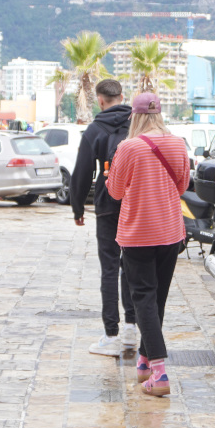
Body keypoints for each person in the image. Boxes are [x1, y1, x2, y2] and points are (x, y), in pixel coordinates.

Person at [106, 93, 189, 397]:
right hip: (170, 230)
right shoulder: (179, 143)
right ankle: (143, 363)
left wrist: (112, 178)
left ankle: (160, 371)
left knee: (142, 298)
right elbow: (182, 185)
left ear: (135, 116)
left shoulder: (128, 147)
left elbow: (114, 192)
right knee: (157, 300)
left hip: (139, 232)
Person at [70, 78, 138, 357]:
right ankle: (132, 327)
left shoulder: (94, 130)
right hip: (136, 204)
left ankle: (111, 334)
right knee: (132, 266)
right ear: (122, 97)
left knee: (110, 268)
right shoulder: (137, 126)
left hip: (108, 205)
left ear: (100, 100)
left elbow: (82, 174)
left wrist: (78, 209)